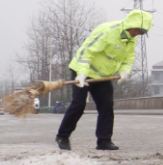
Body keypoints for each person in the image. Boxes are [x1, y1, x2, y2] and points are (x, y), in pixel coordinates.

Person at [55, 9, 153, 151]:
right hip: (83, 71)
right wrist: (82, 73)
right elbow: (86, 51)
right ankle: (62, 136)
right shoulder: (107, 31)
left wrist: (125, 70)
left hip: (102, 76)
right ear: (131, 24)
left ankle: (104, 141)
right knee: (78, 104)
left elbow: (129, 57)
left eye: (142, 32)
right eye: (138, 30)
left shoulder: (132, 38)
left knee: (106, 105)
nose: (138, 34)